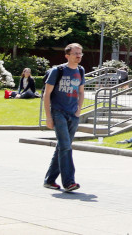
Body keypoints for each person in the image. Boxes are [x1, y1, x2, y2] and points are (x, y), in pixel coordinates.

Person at [43, 43, 86, 193]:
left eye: (80, 53)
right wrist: (48, 117)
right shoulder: (58, 70)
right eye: (75, 53)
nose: (79, 55)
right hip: (58, 112)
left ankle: (49, 180)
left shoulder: (81, 70)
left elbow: (81, 92)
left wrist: (79, 109)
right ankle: (69, 182)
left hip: (73, 114)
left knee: (62, 147)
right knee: (66, 147)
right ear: (67, 55)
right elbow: (46, 94)